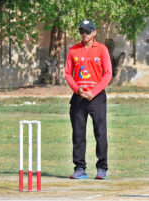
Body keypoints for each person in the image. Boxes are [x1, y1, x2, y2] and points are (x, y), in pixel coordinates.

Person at [65, 20, 112, 179]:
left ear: (94, 32)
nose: (84, 34)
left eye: (87, 31)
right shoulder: (73, 50)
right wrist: (77, 89)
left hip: (97, 98)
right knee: (78, 134)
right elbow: (67, 73)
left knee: (100, 132)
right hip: (78, 97)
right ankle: (79, 168)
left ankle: (102, 168)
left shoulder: (102, 49)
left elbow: (108, 74)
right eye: (81, 31)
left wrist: (94, 91)